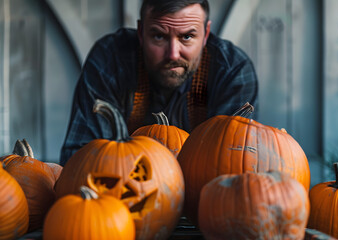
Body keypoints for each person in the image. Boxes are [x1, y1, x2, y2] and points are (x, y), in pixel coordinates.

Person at [59, 0, 258, 166]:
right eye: (159, 36)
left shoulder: (231, 71)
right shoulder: (111, 60)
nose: (173, 54)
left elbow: (230, 167)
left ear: (206, 34)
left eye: (187, 36)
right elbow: (79, 162)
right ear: (140, 33)